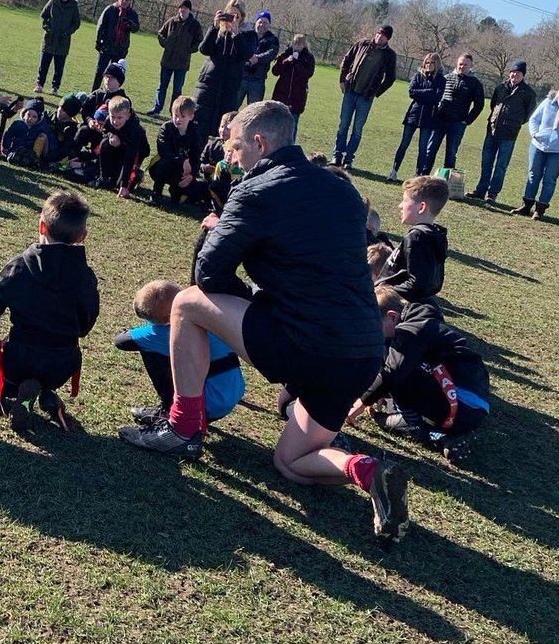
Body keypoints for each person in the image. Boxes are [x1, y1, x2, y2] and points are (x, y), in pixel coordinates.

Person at [119, 101, 407, 545]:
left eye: (235, 147)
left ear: (259, 142)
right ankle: (367, 471)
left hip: (307, 343)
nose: (231, 157)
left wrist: (248, 294)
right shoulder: (344, 192)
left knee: (187, 304)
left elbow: (207, 273)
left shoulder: (256, 190)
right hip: (362, 351)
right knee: (290, 462)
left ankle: (182, 427)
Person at [0, 191, 99, 433]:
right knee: (44, 373)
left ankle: (27, 395)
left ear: (42, 226)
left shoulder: (19, 266)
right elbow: (88, 320)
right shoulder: (86, 276)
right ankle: (46, 394)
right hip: (62, 363)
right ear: (82, 236)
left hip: (18, 360)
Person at [348, 287, 491, 464]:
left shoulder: (412, 331)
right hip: (471, 400)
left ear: (392, 316)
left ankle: (419, 427)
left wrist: (359, 404)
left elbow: (392, 375)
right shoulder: (420, 315)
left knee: (398, 372)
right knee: (387, 405)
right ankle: (440, 436)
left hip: (460, 404)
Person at [115, 279, 245, 426]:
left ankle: (169, 410)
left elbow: (121, 341)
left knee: (149, 349)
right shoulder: (210, 313)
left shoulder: (165, 332)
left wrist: (151, 328)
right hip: (233, 392)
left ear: (164, 320)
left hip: (207, 404)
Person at [511, 70, 559, 220]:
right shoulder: (549, 101)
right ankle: (526, 205)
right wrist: (535, 133)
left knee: (549, 179)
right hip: (538, 146)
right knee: (533, 175)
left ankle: (540, 209)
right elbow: (534, 119)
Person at [469, 60, 537, 201]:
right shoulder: (500, 87)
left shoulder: (528, 93)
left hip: (509, 135)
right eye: (513, 72)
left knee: (501, 166)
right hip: (492, 130)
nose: (514, 75)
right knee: (486, 162)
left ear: (523, 75)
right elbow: (493, 105)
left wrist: (515, 123)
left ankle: (493, 193)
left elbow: (529, 113)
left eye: (518, 73)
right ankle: (481, 190)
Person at [376, 176, 449, 303]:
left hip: (389, 304)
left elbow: (418, 285)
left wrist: (384, 293)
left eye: (405, 201)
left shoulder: (418, 237)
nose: (400, 206)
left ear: (422, 207)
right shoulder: (433, 235)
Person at [333, 25, 397, 169]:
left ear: (388, 39)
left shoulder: (389, 55)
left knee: (357, 130)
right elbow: (346, 60)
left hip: (366, 97)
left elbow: (390, 78)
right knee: (343, 126)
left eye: (383, 35)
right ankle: (337, 156)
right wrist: (342, 80)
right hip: (350, 91)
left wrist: (376, 92)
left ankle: (348, 159)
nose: (379, 36)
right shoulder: (362, 44)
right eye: (379, 33)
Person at [192, 0, 256, 141]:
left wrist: (236, 34)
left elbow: (246, 54)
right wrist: (214, 28)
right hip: (209, 83)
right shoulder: (218, 30)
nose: (232, 18)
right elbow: (204, 49)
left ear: (242, 17)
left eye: (236, 15)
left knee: (224, 127)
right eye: (229, 14)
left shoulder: (249, 34)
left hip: (230, 86)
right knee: (200, 124)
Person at [421, 52, 484, 173]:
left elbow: (479, 105)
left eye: (465, 65)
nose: (462, 66)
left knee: (451, 154)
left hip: (457, 123)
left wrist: (467, 121)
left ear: (471, 65)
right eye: (460, 64)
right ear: (457, 64)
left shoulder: (475, 84)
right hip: (439, 120)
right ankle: (423, 176)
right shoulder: (447, 78)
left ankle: (446, 180)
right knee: (430, 150)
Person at [387, 53, 444, 182]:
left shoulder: (441, 80)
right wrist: (428, 91)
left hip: (429, 117)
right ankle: (394, 171)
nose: (429, 65)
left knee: (423, 148)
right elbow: (412, 92)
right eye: (427, 62)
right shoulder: (418, 76)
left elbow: (437, 98)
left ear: (437, 64)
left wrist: (422, 94)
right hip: (414, 114)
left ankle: (418, 175)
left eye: (432, 63)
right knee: (404, 144)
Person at [149, 96, 205, 206]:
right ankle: (156, 192)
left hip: (183, 171)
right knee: (164, 163)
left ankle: (176, 193)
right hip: (164, 167)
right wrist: (182, 161)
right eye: (176, 116)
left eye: (183, 116)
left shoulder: (195, 134)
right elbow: (164, 151)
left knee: (192, 191)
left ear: (191, 117)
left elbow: (197, 157)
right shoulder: (166, 128)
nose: (178, 120)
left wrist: (192, 175)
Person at [151, 0, 204, 115]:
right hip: (167, 60)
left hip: (182, 63)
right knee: (162, 87)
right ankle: (156, 109)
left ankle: (174, 112)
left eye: (185, 8)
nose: (182, 10)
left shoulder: (195, 25)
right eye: (181, 7)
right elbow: (160, 34)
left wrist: (188, 50)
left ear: (190, 10)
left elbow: (199, 41)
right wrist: (166, 44)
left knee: (177, 90)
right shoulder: (172, 21)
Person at [96, 96, 149, 198]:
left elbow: (130, 157)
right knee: (104, 143)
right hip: (119, 149)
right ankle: (104, 177)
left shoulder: (135, 130)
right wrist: (110, 135)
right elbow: (104, 131)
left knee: (120, 184)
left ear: (128, 115)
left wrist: (124, 185)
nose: (115, 121)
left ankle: (137, 175)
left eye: (119, 118)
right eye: (113, 117)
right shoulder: (108, 120)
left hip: (135, 153)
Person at [35, 0, 80, 95]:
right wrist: (47, 28)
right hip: (49, 40)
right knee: (43, 65)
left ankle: (55, 87)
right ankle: (39, 84)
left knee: (59, 67)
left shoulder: (73, 6)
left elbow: (76, 23)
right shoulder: (53, 2)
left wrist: (67, 32)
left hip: (63, 42)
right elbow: (43, 16)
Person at [270, 33, 316, 142]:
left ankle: (290, 145)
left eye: (300, 43)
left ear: (304, 45)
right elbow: (275, 71)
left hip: (297, 97)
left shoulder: (308, 58)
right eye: (295, 43)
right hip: (281, 94)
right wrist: (286, 61)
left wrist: (297, 64)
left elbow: (308, 73)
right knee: (276, 123)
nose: (297, 45)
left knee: (293, 124)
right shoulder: (285, 54)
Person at [92, 0, 140, 92]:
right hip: (107, 47)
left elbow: (136, 28)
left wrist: (130, 24)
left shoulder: (132, 14)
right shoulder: (110, 9)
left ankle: (111, 95)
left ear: (130, 1)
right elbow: (100, 25)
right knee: (100, 72)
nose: (125, 2)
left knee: (116, 75)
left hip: (120, 49)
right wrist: (98, 41)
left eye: (128, 0)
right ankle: (93, 94)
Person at [237, 10, 279, 107]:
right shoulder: (247, 34)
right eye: (260, 22)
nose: (262, 25)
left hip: (257, 81)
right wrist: (248, 57)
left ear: (269, 25)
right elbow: (239, 48)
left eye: (265, 22)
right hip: (240, 77)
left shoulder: (273, 39)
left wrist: (257, 58)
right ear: (256, 22)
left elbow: (271, 53)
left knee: (254, 110)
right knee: (231, 107)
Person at [0, 99, 50, 168]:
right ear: (24, 114)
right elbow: (8, 134)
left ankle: (32, 161)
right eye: (28, 115)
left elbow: (44, 141)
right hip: (15, 149)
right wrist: (5, 147)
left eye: (34, 117)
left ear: (39, 118)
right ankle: (14, 157)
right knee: (15, 155)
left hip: (29, 152)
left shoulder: (40, 129)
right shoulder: (18, 124)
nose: (30, 118)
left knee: (30, 157)